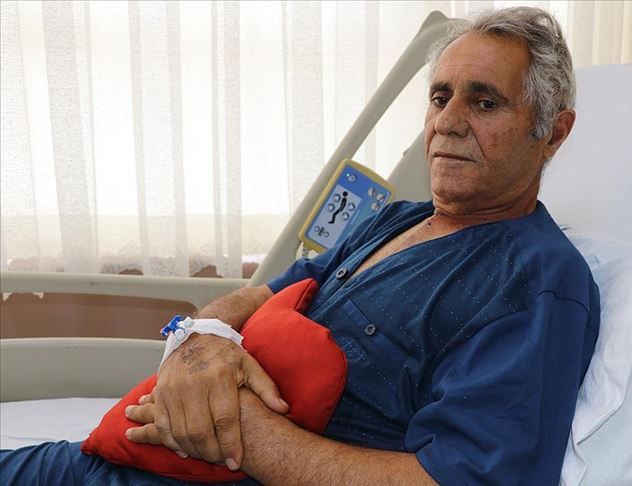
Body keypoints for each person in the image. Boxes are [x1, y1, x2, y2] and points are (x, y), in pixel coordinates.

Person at [0, 7, 599, 485]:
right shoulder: (394, 220)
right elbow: (263, 295)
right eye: (440, 97)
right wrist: (199, 344)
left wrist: (238, 425)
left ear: (553, 133)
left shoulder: (535, 280)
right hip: (111, 459)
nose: (447, 121)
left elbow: (459, 479)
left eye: (485, 101)